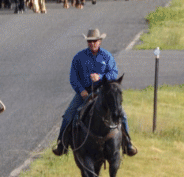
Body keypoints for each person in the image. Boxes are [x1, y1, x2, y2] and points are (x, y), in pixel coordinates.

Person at [52, 29, 137, 157]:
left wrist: (101, 77)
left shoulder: (107, 56)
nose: (92, 44)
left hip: (103, 92)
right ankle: (61, 144)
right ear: (87, 42)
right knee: (69, 114)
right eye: (90, 41)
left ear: (100, 41)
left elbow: (113, 73)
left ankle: (128, 143)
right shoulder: (79, 57)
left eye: (95, 41)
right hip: (84, 92)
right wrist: (81, 91)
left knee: (121, 114)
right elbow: (73, 77)